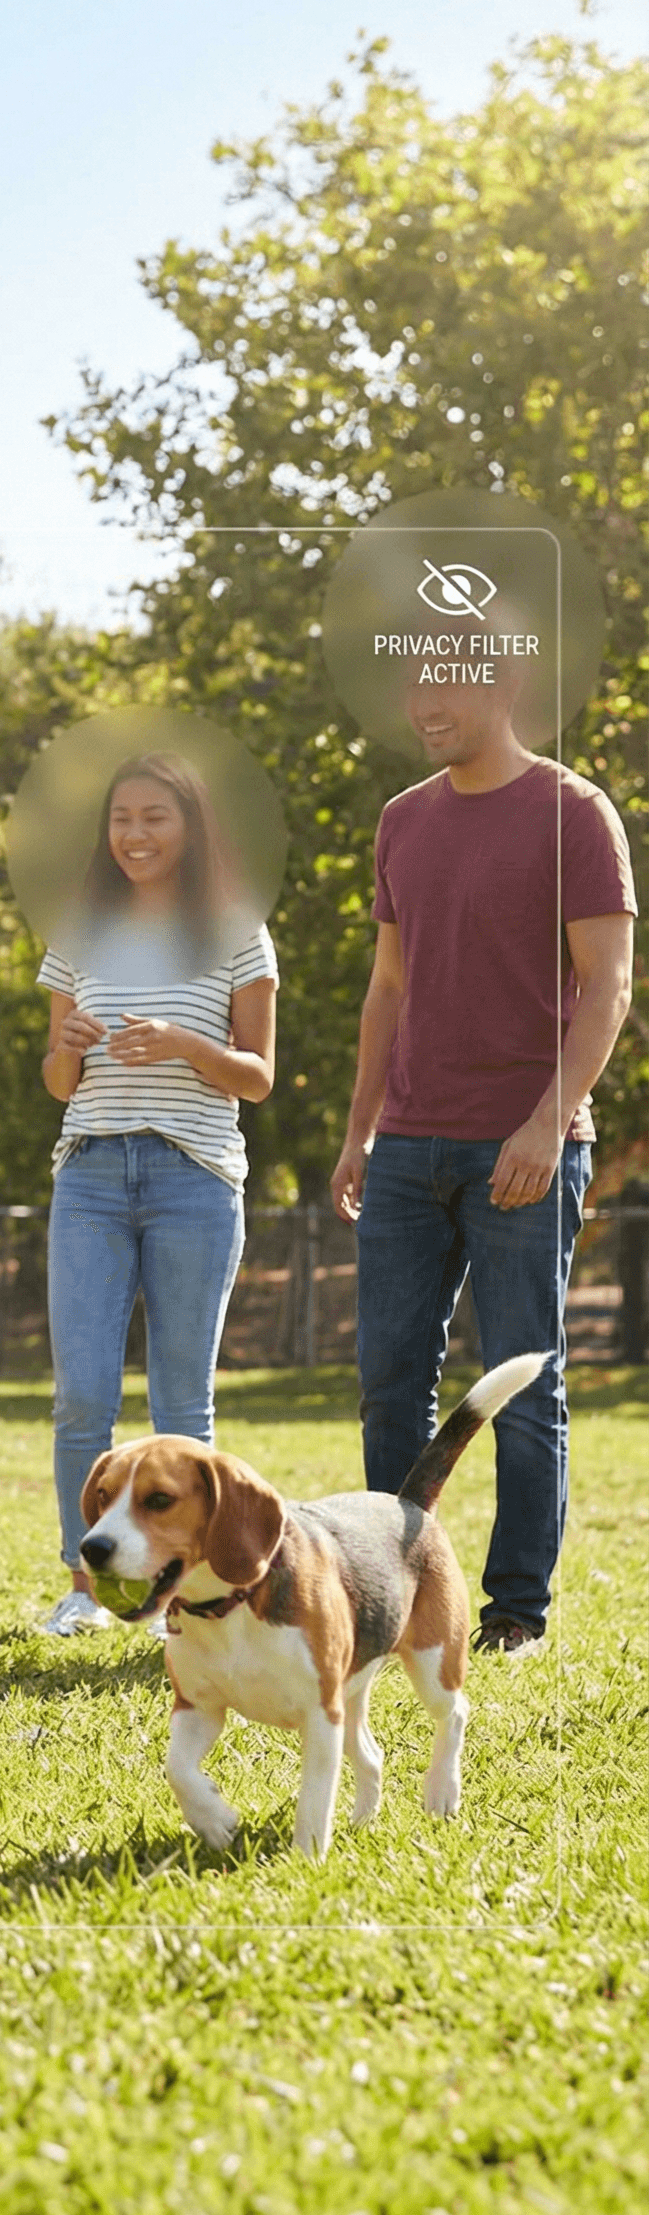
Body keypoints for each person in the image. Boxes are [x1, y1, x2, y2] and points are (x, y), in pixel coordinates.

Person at [330, 664, 635, 1655]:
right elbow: (386, 987)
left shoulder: (573, 812)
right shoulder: (402, 820)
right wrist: (357, 1130)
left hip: (526, 1146)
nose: (422, 706)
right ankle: (394, 1593)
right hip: (409, 1146)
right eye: (412, 686)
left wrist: (551, 1119)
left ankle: (512, 1612)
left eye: (444, 688)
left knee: (522, 1382)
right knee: (390, 1380)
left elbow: (609, 985)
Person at [35, 752, 277, 1635]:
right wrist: (66, 1042)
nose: (134, 835)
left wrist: (181, 1042)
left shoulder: (236, 929)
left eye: (154, 818)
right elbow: (59, 1082)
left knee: (184, 1402)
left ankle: (185, 1592)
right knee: (81, 1397)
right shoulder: (81, 929)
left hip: (196, 1177)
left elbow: (257, 1077)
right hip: (92, 1173)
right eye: (121, 819)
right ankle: (85, 1589)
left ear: (191, 827)